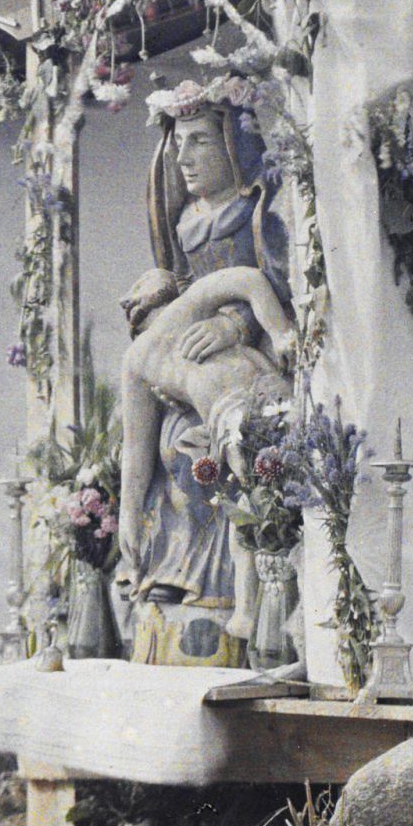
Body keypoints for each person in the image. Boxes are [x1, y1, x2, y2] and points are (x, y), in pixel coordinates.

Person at [117, 89, 292, 667]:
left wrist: (235, 327)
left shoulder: (253, 209)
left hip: (242, 357)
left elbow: (265, 282)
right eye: (178, 146)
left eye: (199, 142)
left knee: (215, 447)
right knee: (176, 447)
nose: (185, 159)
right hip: (192, 367)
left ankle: (239, 590)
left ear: (230, 144)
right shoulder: (184, 222)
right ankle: (177, 573)